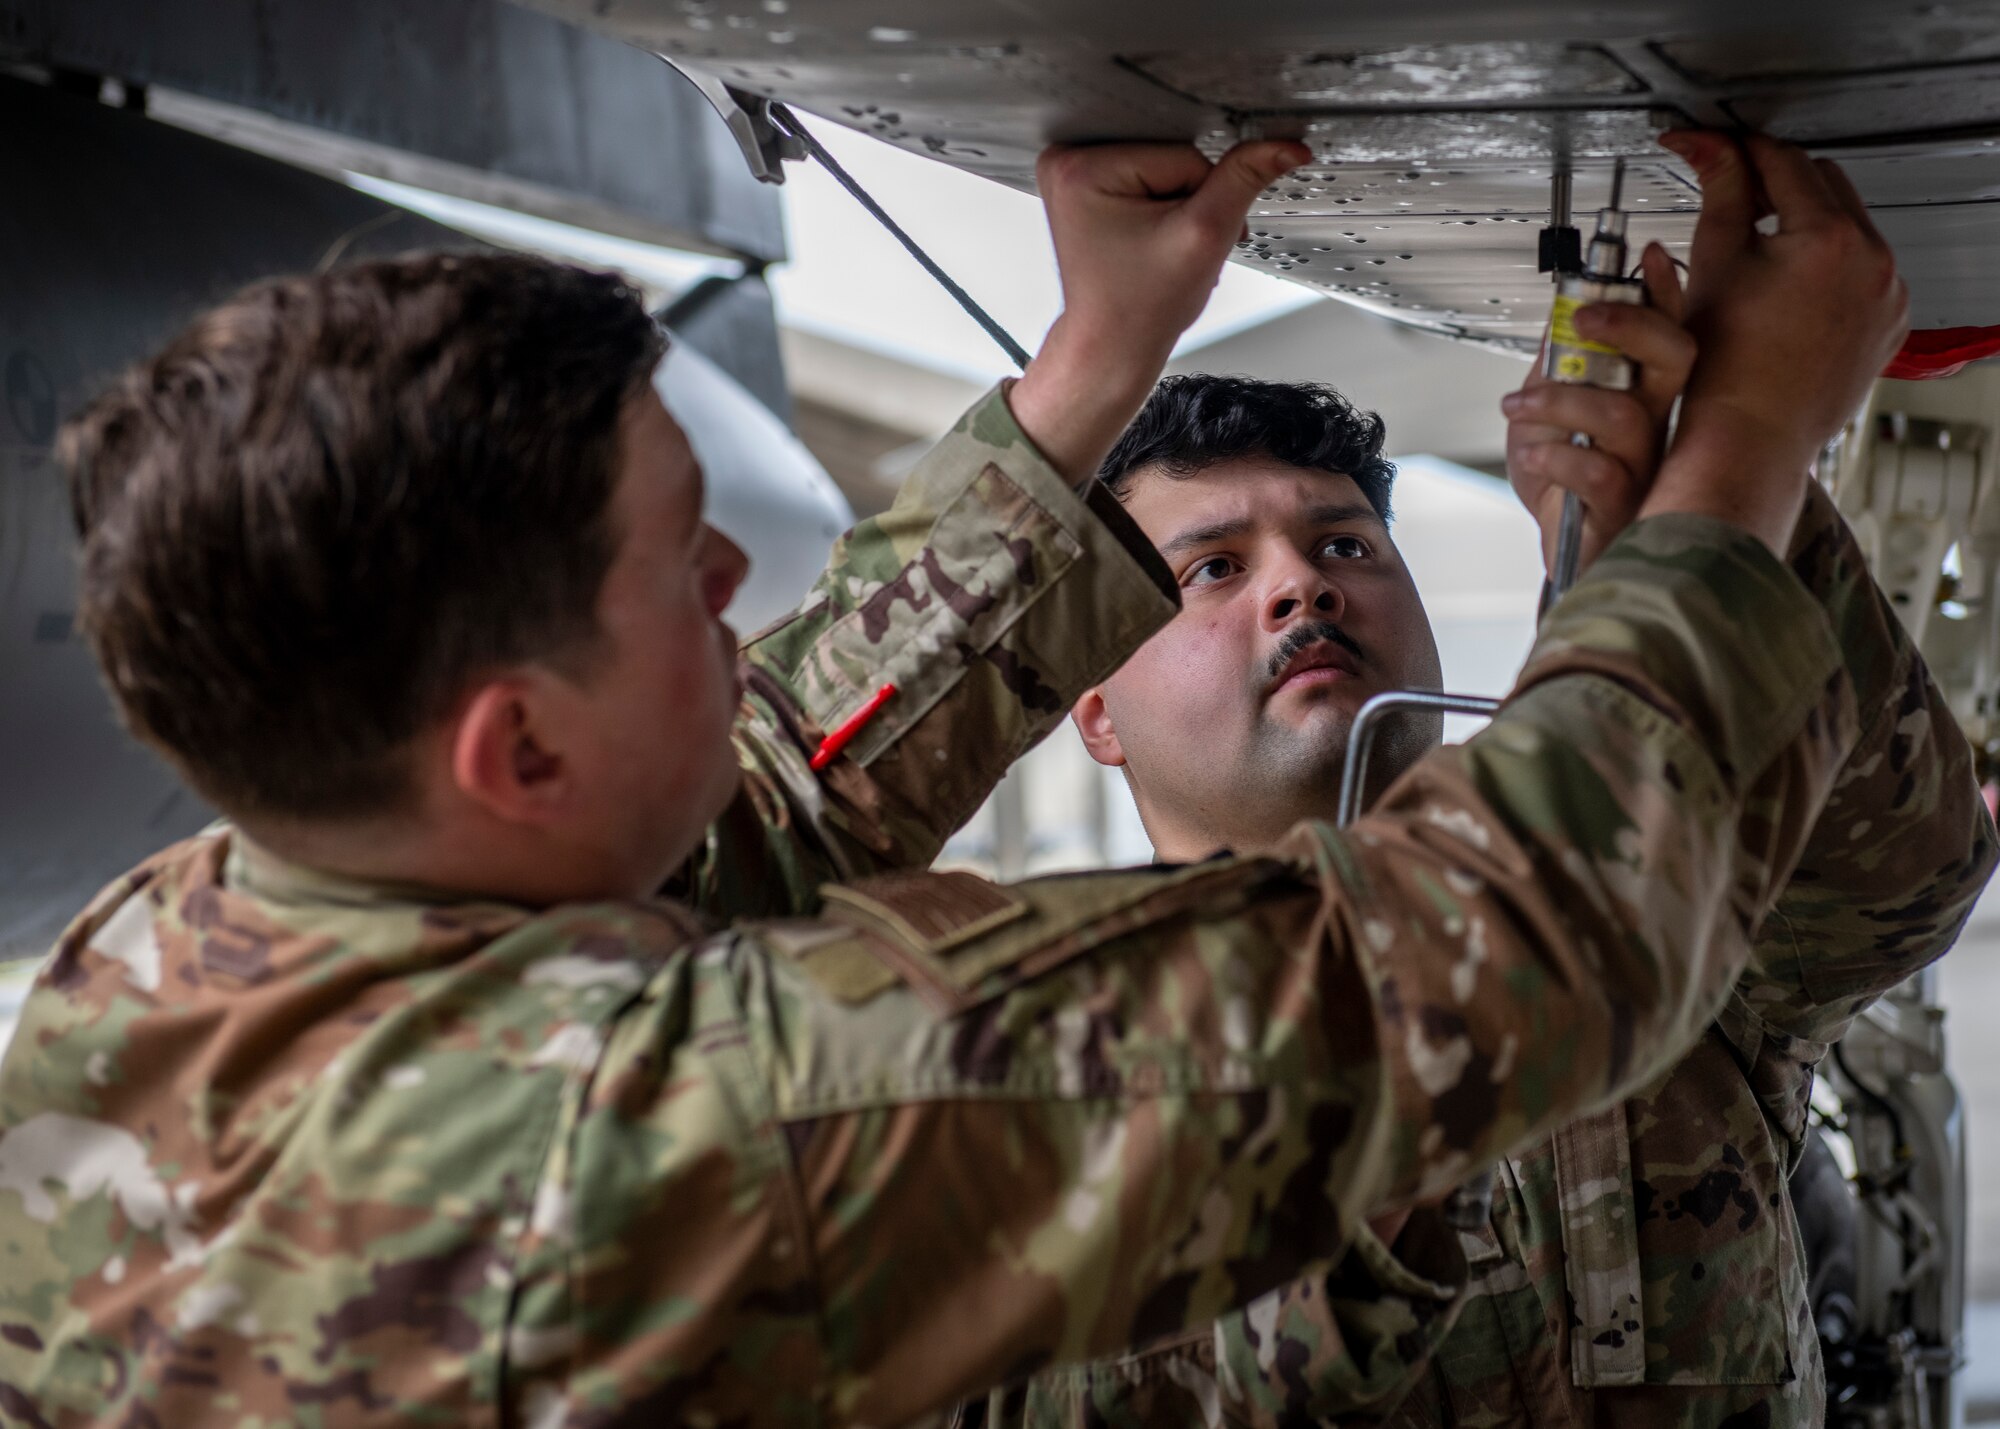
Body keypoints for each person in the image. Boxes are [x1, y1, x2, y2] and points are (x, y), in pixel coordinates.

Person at [0, 133, 1886, 1427]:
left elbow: (773, 805)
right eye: (685, 566)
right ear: (518, 747)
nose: (744, 582)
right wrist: (1750, 457)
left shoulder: (158, 966)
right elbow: (1515, 938)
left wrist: (1094, 364)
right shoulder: (714, 1130)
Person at [955, 133, 1996, 1429]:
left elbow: (1905, 874)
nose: (1302, 582)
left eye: (1343, 541)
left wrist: (1693, 520)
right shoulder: (1038, 1070)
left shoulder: (1642, 864)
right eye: (1214, 568)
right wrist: (1746, 442)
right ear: (1091, 707)